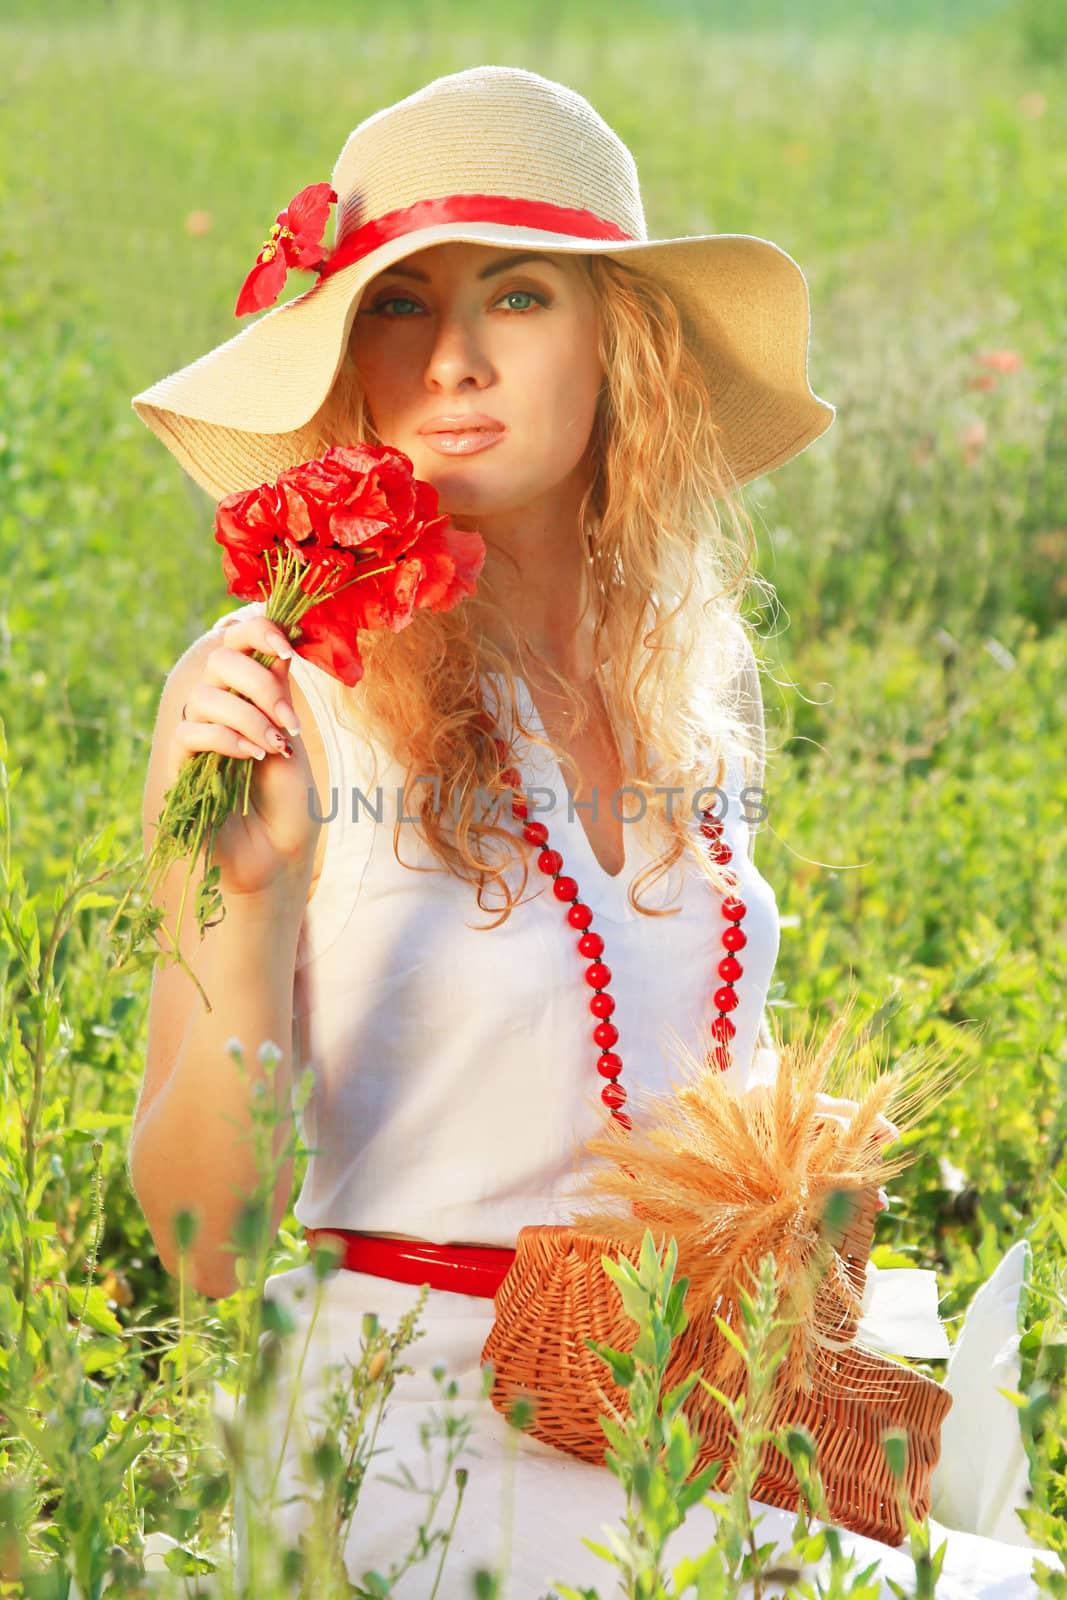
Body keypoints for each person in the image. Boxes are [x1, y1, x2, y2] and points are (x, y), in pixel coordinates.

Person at [126, 66, 1059, 1598]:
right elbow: (202, 1247)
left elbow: (690, 1075)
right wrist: (255, 901)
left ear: (619, 343)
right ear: (350, 360)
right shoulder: (278, 692)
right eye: (400, 307)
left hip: (672, 1389)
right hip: (413, 1431)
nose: (455, 363)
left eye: (518, 297)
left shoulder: (692, 665)